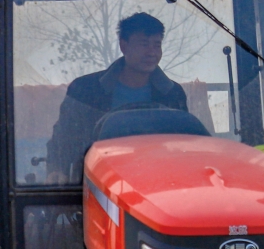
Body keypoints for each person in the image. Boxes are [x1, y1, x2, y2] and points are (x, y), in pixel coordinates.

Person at [46, 12, 188, 184]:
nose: (151, 52)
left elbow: (184, 144)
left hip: (157, 182)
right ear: (123, 46)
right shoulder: (84, 90)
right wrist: (56, 170)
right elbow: (63, 138)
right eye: (144, 44)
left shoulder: (173, 94)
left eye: (156, 45)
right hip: (95, 182)